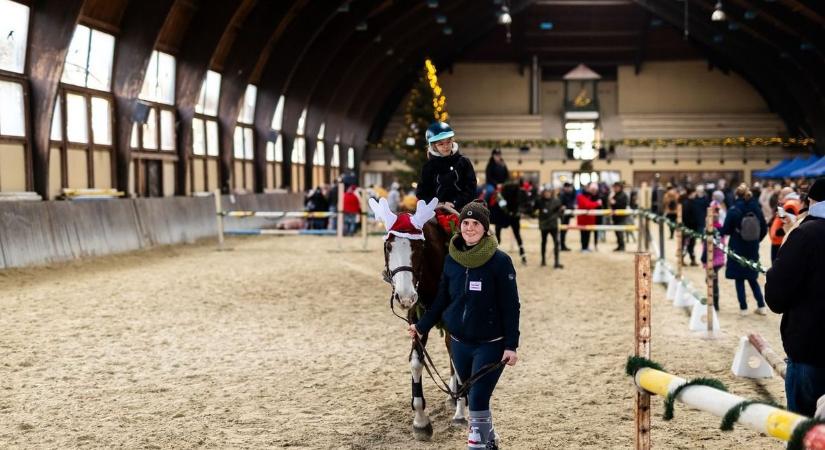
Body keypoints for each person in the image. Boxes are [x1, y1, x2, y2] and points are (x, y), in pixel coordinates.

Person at [408, 200, 520, 450]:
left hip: (490, 344)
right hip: (459, 343)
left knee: (478, 400)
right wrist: (422, 325)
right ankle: (489, 440)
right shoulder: (452, 260)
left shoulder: (500, 262)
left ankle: (477, 445)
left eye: (476, 223)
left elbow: (512, 307)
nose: (470, 228)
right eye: (466, 223)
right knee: (471, 396)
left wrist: (511, 345)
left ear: (485, 229)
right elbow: (442, 300)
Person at [765, 179, 825, 417]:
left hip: (812, 347)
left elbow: (776, 298)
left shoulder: (805, 235)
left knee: (803, 428)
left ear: (810, 200)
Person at [720, 183, 768, 316]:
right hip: (752, 246)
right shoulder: (756, 208)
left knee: (739, 278)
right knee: (752, 277)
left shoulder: (734, 209)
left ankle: (743, 308)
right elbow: (764, 228)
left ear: (737, 195)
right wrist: (756, 240)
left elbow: (726, 230)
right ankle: (761, 305)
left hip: (737, 245)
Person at [417, 121, 477, 215]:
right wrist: (440, 204)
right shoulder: (428, 167)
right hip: (437, 210)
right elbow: (422, 193)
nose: (446, 146)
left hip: (463, 207)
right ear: (433, 146)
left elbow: (471, 187)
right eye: (440, 144)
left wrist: (455, 202)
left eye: (448, 142)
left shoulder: (464, 162)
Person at [701, 191, 727, 311]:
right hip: (716, 257)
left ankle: (714, 303)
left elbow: (711, 244)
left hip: (714, 258)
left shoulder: (714, 230)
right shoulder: (719, 228)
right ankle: (713, 301)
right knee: (711, 280)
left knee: (712, 281)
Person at [769, 187, 802, 263]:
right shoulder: (794, 202)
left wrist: (777, 233)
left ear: (784, 194)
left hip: (781, 242)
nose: (779, 196)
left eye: (780, 193)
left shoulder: (790, 205)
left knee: (777, 269)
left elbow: (791, 224)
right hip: (782, 241)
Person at [535, 186, 564, 268]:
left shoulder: (557, 201)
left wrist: (561, 211)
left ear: (551, 192)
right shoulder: (539, 201)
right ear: (543, 193)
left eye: (549, 192)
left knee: (556, 243)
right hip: (544, 225)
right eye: (546, 192)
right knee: (543, 242)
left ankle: (556, 262)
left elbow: (560, 213)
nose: (547, 193)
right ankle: (543, 260)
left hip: (553, 225)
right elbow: (533, 210)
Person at [576, 183, 602, 252]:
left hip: (590, 220)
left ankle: (586, 247)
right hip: (582, 219)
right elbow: (587, 205)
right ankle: (583, 247)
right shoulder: (580, 196)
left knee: (588, 234)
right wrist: (597, 203)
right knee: (583, 234)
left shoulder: (591, 197)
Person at [610, 182, 629, 252]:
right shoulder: (615, 195)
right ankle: (619, 246)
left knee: (620, 232)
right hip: (615, 216)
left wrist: (615, 203)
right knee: (617, 232)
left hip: (621, 216)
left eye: (616, 187)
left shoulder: (623, 195)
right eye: (614, 187)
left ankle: (622, 246)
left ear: (620, 187)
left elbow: (623, 205)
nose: (615, 188)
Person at [558, 183, 576, 251]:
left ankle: (562, 245)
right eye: (568, 187)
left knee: (564, 231)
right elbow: (560, 204)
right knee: (562, 231)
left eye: (570, 187)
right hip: (563, 216)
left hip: (567, 215)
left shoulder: (571, 194)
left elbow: (571, 204)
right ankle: (561, 245)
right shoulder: (562, 195)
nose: (569, 189)